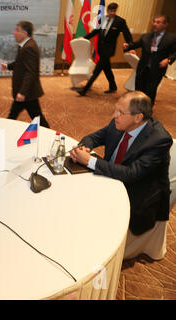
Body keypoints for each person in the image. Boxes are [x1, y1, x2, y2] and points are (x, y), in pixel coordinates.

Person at [70, 92, 172, 252]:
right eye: (115, 110)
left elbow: (132, 174)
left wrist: (89, 160)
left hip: (137, 191)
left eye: (120, 112)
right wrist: (84, 147)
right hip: (111, 176)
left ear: (138, 117)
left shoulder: (159, 139)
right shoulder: (120, 122)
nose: (114, 115)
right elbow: (95, 137)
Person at [1, 21, 49, 128]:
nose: (14, 32)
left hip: (27, 93)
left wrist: (23, 92)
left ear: (24, 33)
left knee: (37, 119)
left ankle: (50, 135)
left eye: (17, 30)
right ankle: (5, 129)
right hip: (26, 92)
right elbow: (20, 63)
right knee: (16, 114)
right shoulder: (25, 45)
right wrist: (8, 66)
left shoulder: (29, 47)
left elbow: (31, 72)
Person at [77, 3, 132, 96]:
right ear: (107, 10)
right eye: (110, 11)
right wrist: (85, 38)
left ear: (116, 11)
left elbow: (127, 35)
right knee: (107, 68)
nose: (112, 13)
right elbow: (96, 31)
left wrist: (130, 46)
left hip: (109, 50)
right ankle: (113, 86)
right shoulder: (102, 19)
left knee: (97, 70)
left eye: (114, 11)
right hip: (101, 48)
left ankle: (85, 90)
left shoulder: (120, 21)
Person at [123, 15, 176, 105]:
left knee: (150, 90)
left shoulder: (172, 38)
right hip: (142, 67)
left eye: (158, 22)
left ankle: (148, 110)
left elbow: (174, 53)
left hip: (157, 69)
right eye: (154, 21)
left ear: (166, 24)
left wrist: (168, 60)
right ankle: (137, 108)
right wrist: (127, 46)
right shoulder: (146, 36)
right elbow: (135, 44)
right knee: (138, 90)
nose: (155, 24)